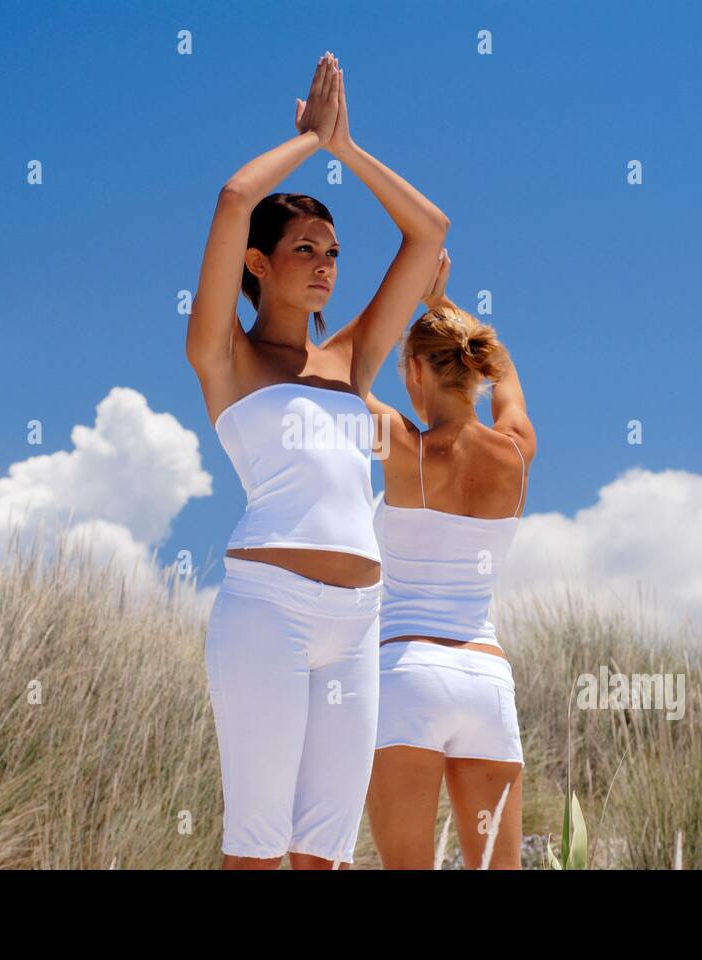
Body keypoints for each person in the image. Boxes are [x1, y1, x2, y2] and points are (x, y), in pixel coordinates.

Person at [186, 51, 450, 869]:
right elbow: (235, 200)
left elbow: (430, 232)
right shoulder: (224, 357)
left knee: (323, 853)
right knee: (259, 846)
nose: (327, 263)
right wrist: (306, 141)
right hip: (267, 609)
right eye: (305, 248)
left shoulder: (351, 360)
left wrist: (349, 149)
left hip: (357, 621)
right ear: (259, 267)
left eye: (333, 251)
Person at [363, 250, 535, 869]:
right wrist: (442, 306)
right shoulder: (516, 451)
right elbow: (506, 368)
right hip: (486, 679)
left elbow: (341, 379)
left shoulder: (401, 445)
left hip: (407, 672)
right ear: (475, 373)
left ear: (412, 370)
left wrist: (409, 293)